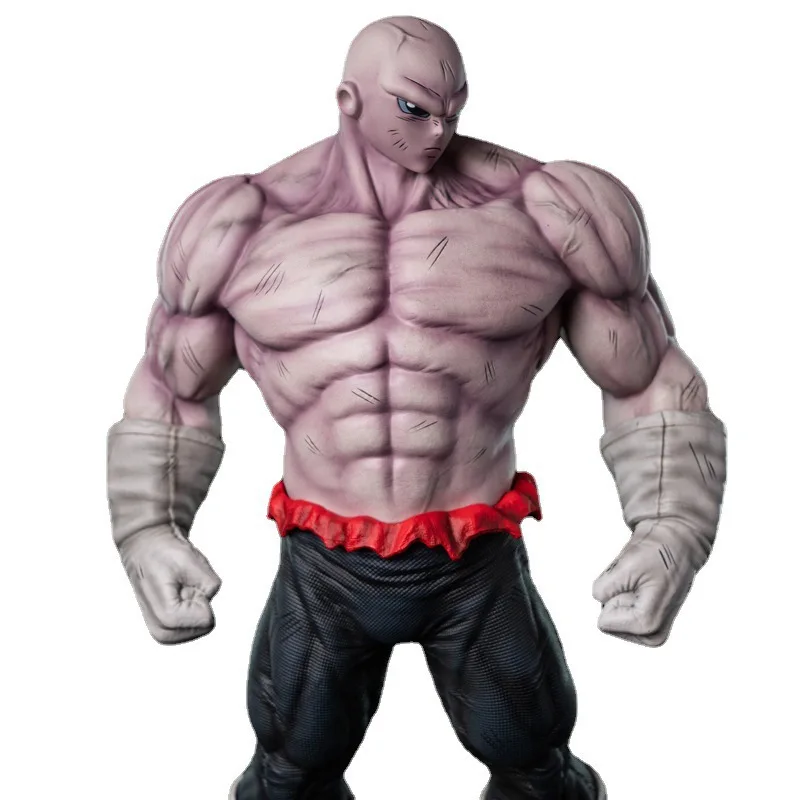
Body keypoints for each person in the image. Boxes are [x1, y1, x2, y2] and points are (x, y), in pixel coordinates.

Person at [107, 15, 726, 800]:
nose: (440, 133)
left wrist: (671, 530)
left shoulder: (553, 212)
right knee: (289, 773)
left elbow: (646, 377)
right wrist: (149, 530)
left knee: (538, 769)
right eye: (414, 109)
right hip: (323, 567)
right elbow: (171, 386)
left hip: (475, 562)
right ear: (348, 99)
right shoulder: (239, 226)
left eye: (452, 110)